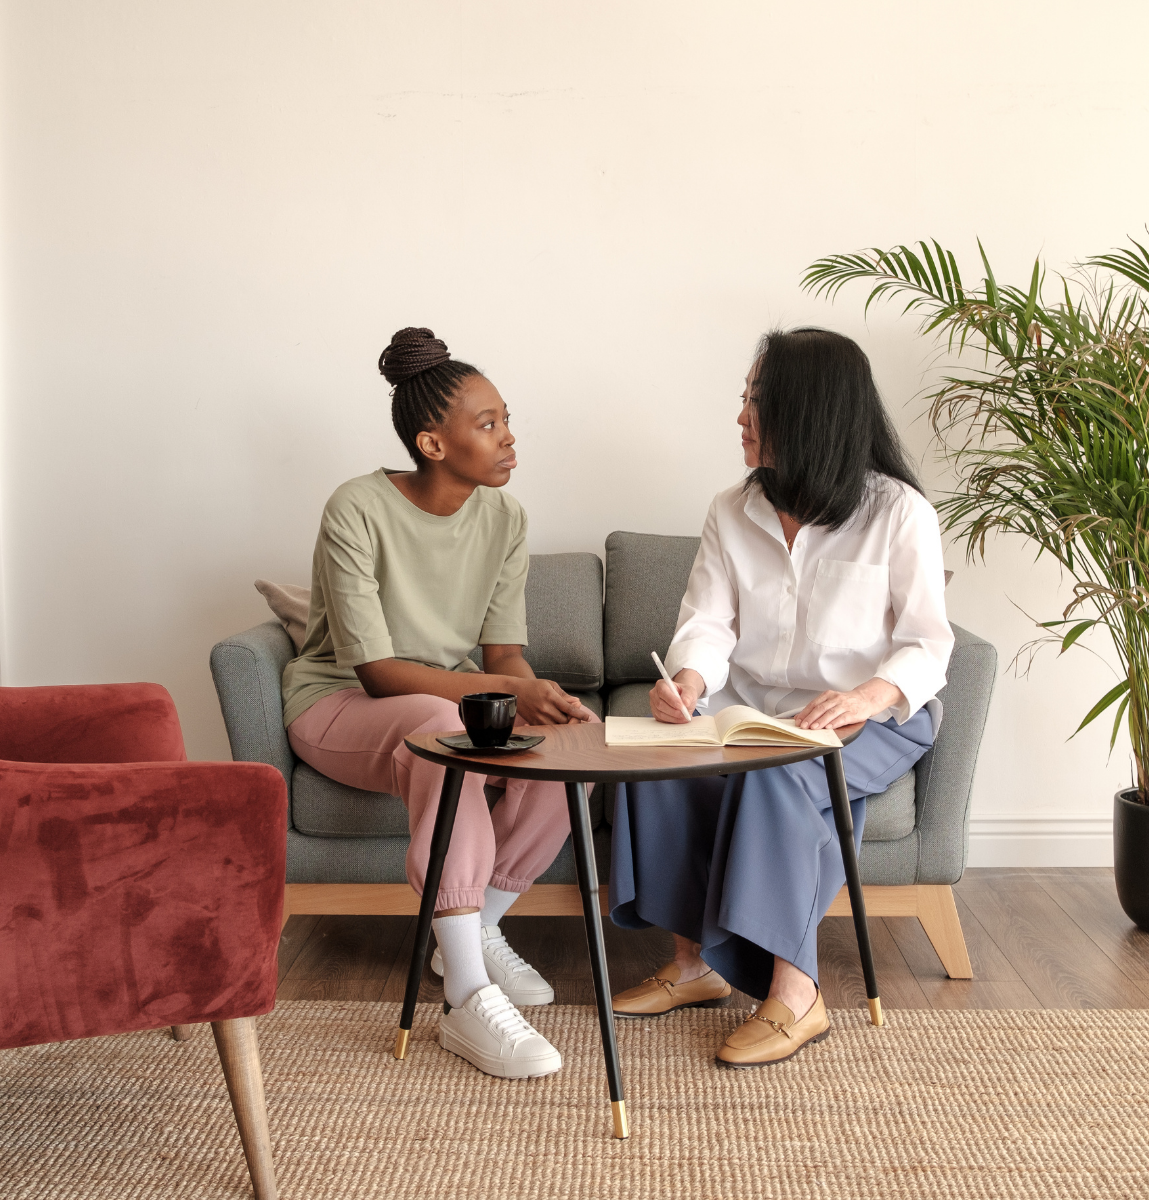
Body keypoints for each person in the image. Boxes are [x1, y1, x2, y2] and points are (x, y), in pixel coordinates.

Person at [608, 327, 952, 1068]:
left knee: (780, 776)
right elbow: (706, 621)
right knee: (658, 757)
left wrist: (865, 696)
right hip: (756, 706)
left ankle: (797, 996)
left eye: (755, 401)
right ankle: (693, 965)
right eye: (744, 398)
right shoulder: (731, 509)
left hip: (877, 716)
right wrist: (690, 684)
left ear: (808, 410)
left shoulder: (898, 513)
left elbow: (928, 643)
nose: (740, 415)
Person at [283, 327, 598, 1080]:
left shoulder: (506, 520)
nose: (509, 439)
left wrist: (536, 699)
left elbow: (501, 659)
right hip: (340, 705)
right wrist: (505, 692)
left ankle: (472, 929)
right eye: (487, 425)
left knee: (571, 748)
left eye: (506, 419)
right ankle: (467, 996)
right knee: (437, 730)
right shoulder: (355, 506)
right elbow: (379, 674)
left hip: (453, 703)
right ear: (432, 442)